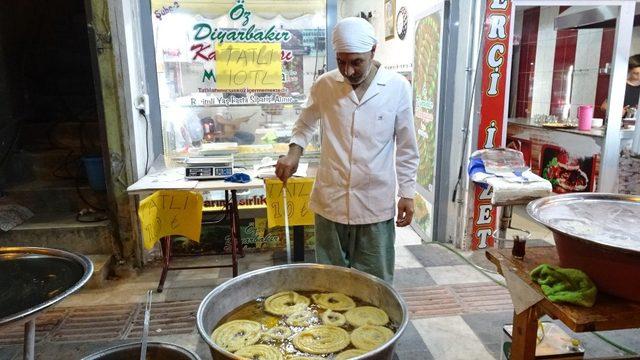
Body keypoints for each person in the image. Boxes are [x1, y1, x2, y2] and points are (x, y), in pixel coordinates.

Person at [275, 17, 419, 283]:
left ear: (373, 52)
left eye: (356, 62)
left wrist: (407, 193)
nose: (348, 70)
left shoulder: (397, 87)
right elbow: (305, 123)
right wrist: (294, 152)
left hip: (374, 202)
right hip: (331, 201)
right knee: (330, 280)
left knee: (375, 282)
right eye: (341, 62)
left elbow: (407, 146)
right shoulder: (325, 85)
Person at [600, 54, 640, 118]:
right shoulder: (620, 85)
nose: (639, 76)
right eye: (636, 73)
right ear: (629, 71)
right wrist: (616, 111)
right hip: (620, 125)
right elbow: (604, 107)